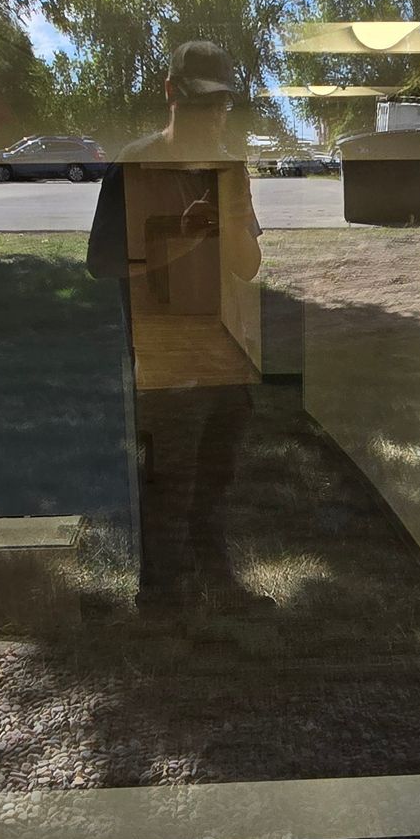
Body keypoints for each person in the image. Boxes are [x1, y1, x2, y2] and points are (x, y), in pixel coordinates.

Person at [87, 40, 268, 611]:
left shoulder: (229, 170)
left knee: (215, 478)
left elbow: (247, 266)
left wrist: (232, 215)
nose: (212, 116)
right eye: (200, 102)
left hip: (225, 353)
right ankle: (161, 598)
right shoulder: (134, 168)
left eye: (221, 105)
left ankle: (216, 576)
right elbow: (101, 262)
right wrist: (181, 239)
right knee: (167, 483)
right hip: (164, 358)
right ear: (171, 94)